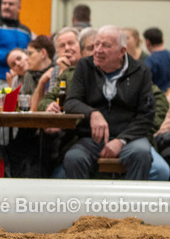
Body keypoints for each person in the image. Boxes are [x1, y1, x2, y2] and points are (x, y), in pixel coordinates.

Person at [62, 25, 155, 181]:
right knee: (73, 158)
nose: (98, 50)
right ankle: (82, 204)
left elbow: (147, 115)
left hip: (129, 138)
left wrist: (121, 140)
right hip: (93, 139)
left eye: (105, 45)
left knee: (141, 154)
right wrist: (92, 113)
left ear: (122, 52)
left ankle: (130, 204)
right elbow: (71, 102)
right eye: (96, 44)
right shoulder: (85, 66)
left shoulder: (141, 72)